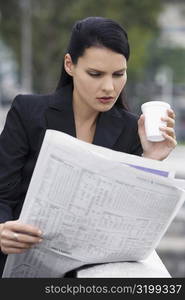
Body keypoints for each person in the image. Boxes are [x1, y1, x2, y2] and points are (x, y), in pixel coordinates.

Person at [0, 16, 176, 277]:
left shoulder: (130, 129)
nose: (109, 87)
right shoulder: (28, 112)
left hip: (93, 269)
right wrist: (2, 228)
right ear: (70, 65)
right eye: (95, 74)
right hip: (23, 261)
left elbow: (129, 219)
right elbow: (2, 193)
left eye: (119, 74)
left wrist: (151, 159)